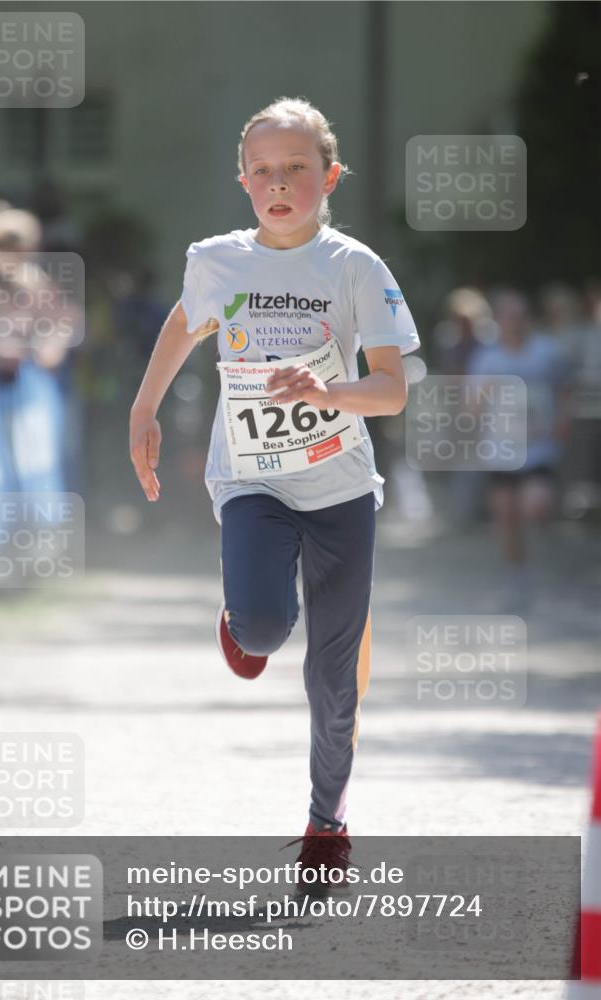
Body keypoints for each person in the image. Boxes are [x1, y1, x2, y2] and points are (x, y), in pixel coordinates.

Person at [129, 97, 420, 890]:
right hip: (252, 480)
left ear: (327, 177)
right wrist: (144, 404)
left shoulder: (355, 267)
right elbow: (185, 324)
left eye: (296, 169)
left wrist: (331, 395)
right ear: (244, 183)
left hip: (339, 491)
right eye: (263, 171)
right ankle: (246, 615)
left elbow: (392, 391)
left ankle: (327, 821)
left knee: (332, 680)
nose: (279, 183)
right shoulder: (217, 260)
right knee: (259, 633)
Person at [467, 289, 573, 611]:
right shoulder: (487, 359)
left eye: (520, 316)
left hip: (538, 447)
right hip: (500, 450)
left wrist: (561, 420)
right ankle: (517, 573)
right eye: (508, 316)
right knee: (505, 513)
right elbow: (470, 409)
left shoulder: (546, 351)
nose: (514, 322)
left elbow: (566, 388)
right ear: (498, 321)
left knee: (534, 505)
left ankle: (547, 551)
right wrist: (484, 396)